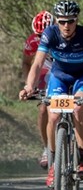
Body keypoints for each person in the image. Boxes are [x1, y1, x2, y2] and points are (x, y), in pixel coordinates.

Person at [19, 0, 83, 187]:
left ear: (77, 20)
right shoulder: (49, 34)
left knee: (77, 109)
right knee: (53, 116)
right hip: (59, 76)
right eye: (62, 21)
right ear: (56, 22)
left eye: (70, 21)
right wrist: (28, 86)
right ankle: (53, 163)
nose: (66, 26)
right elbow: (36, 63)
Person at [22, 11, 54, 168]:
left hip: (65, 69)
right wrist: (29, 85)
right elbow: (27, 63)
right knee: (43, 109)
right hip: (46, 70)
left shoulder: (63, 35)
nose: (43, 38)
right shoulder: (33, 41)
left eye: (45, 34)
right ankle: (47, 147)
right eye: (39, 34)